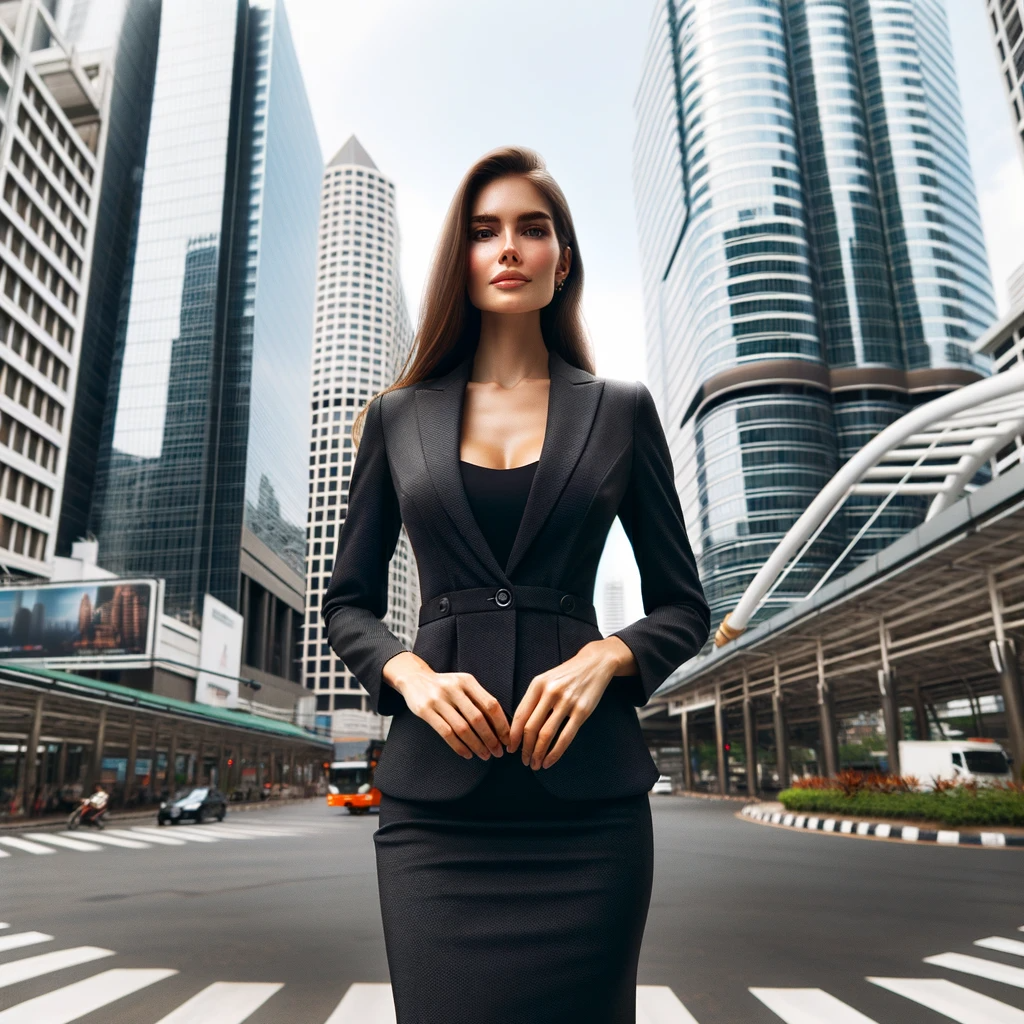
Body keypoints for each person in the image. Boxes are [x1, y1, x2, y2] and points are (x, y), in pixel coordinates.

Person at [322, 146, 710, 1024]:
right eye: (484, 230)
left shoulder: (619, 408)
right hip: (436, 820)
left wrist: (608, 656)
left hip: (589, 816)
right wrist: (409, 675)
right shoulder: (396, 416)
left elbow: (684, 604)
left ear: (561, 258)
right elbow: (347, 601)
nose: (509, 247)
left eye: (532, 229)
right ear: (460, 258)